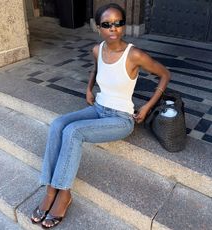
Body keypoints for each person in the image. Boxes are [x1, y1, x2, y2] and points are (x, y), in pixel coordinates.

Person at [31, 3, 170, 229]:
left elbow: (165, 74)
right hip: (98, 108)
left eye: (118, 23)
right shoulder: (97, 49)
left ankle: (63, 194)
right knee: (58, 124)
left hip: (121, 118)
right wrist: (89, 88)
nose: (113, 28)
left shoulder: (134, 54)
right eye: (107, 24)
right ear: (98, 27)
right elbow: (96, 68)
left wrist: (146, 107)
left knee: (73, 131)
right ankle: (50, 190)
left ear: (123, 26)